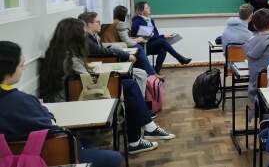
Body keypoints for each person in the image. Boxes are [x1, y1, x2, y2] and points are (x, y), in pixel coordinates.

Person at [39, 18, 174, 155]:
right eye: (82, 32)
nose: (85, 36)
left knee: (129, 86)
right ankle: (140, 137)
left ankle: (141, 135)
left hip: (69, 101)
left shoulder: (56, 54)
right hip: (80, 101)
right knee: (130, 89)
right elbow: (88, 82)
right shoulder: (71, 59)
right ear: (74, 35)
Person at [0, 41, 123, 167]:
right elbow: (50, 127)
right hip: (48, 158)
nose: (24, 68)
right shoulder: (21, 101)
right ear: (9, 68)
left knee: (85, 143)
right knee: (115, 157)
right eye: (21, 65)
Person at [78, 11, 148, 96]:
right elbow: (101, 51)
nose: (100, 24)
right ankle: (140, 103)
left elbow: (102, 49)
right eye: (98, 22)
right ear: (88, 24)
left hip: (102, 67)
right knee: (140, 74)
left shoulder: (94, 36)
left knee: (141, 72)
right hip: (101, 72)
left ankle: (141, 102)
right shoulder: (86, 40)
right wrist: (125, 54)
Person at [131, 1, 191, 73]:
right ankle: (180, 58)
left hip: (151, 45)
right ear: (141, 10)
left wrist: (163, 36)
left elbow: (155, 35)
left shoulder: (151, 20)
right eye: (147, 7)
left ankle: (156, 72)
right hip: (143, 46)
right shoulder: (137, 21)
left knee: (163, 49)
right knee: (162, 41)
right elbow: (133, 36)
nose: (149, 8)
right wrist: (162, 36)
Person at [107, 6, 157, 76]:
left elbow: (124, 38)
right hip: (114, 47)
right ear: (123, 15)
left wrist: (135, 39)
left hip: (115, 45)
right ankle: (151, 74)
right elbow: (127, 42)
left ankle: (150, 73)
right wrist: (137, 40)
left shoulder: (114, 22)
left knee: (139, 48)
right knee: (139, 48)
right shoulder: (120, 23)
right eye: (126, 15)